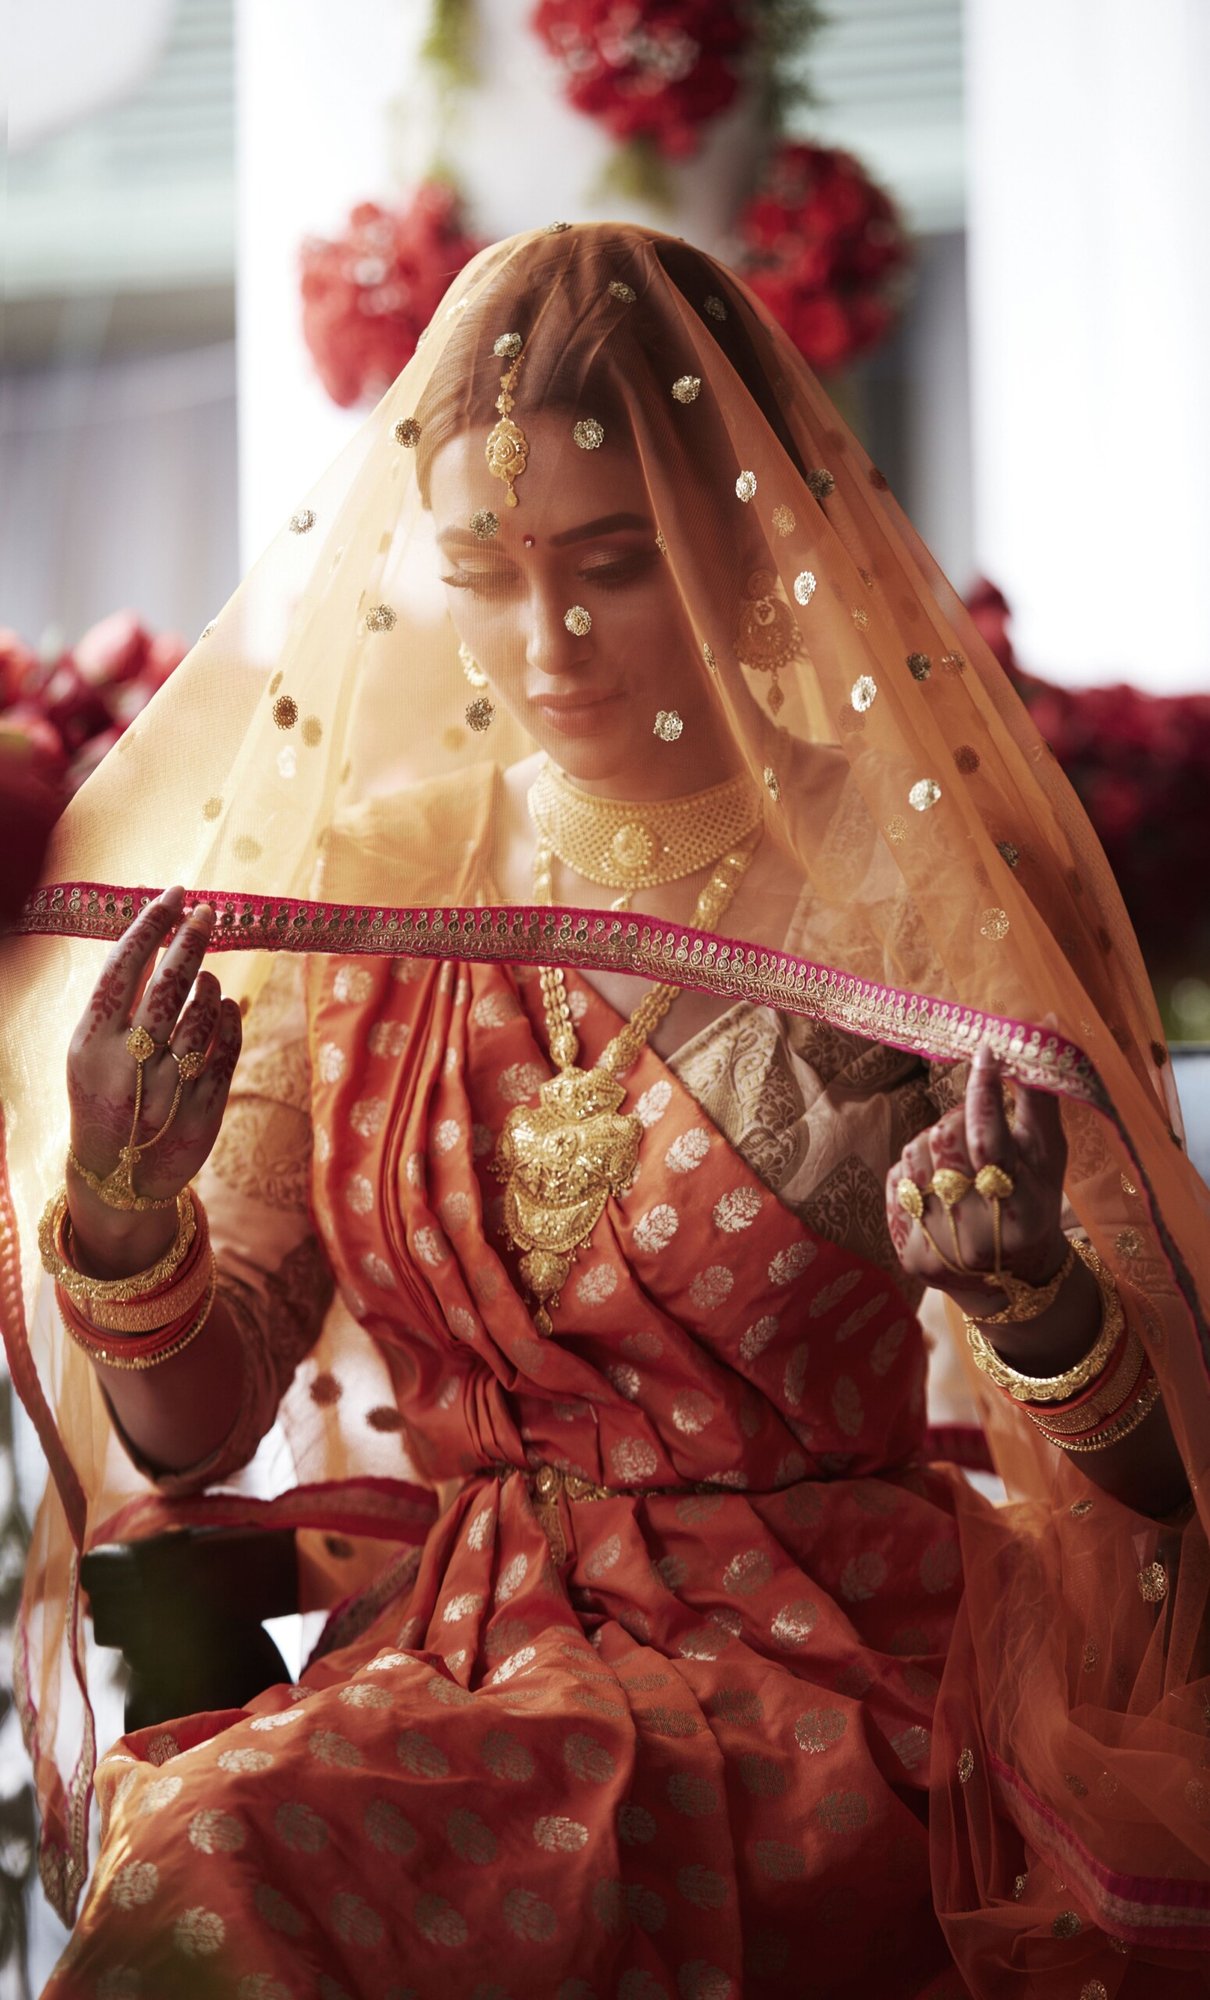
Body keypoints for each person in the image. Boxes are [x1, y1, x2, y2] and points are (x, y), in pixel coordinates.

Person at [2, 223, 1208, 1998]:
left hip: (830, 1669)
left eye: (612, 561)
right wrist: (120, 1202)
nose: (546, 637)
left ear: (743, 543)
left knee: (226, 1845)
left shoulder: (903, 893)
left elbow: (1166, 1474)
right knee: (216, 1832)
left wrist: (1032, 1296)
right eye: (486, 567)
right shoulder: (376, 883)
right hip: (461, 1653)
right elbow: (192, 1435)